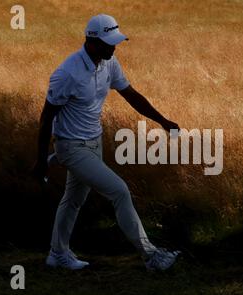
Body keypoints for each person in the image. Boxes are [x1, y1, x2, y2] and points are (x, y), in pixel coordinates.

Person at [32, 14, 180, 271]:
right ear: (91, 41)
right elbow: (46, 118)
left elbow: (131, 95)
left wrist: (162, 121)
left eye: (115, 42)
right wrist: (40, 160)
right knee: (119, 191)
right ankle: (151, 256)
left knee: (73, 199)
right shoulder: (68, 73)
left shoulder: (108, 63)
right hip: (71, 146)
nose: (114, 47)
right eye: (108, 43)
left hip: (94, 142)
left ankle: (57, 254)